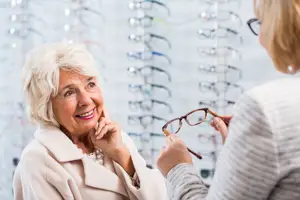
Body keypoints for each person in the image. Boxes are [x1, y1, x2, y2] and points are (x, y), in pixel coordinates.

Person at [156, 0, 300, 199]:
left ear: (284, 23)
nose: (260, 37)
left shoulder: (265, 110)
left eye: (262, 22)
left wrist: (177, 169)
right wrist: (244, 148)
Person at [12, 43, 168, 200]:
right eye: (69, 93)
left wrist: (121, 153)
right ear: (46, 105)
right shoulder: (38, 160)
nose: (86, 100)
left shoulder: (117, 140)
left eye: (91, 84)